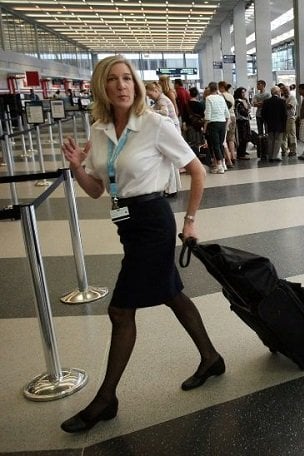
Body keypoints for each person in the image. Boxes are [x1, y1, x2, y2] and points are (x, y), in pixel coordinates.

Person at [59, 55, 223, 433]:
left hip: (152, 222)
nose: (121, 86)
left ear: (135, 84)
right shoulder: (99, 130)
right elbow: (100, 189)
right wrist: (77, 168)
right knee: (171, 294)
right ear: (102, 87)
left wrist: (192, 221)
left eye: (127, 79)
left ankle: (106, 398)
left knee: (120, 310)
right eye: (113, 80)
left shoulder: (155, 124)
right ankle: (211, 357)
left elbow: (196, 170)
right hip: (126, 223)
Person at [145, 81, 181, 196]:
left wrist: (150, 111)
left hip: (171, 131)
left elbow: (164, 113)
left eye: (150, 94)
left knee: (168, 161)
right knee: (170, 161)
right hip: (172, 130)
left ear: (155, 91)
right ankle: (172, 187)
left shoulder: (161, 100)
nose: (149, 96)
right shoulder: (160, 99)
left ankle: (171, 189)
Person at [204, 82, 230, 174]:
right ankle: (223, 164)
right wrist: (226, 125)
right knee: (221, 144)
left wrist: (205, 127)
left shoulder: (208, 98)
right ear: (217, 88)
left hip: (213, 124)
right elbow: (227, 113)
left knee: (215, 145)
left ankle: (219, 166)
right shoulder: (221, 98)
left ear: (210, 89)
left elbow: (208, 115)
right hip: (222, 123)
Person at [261, 86, 287, 162]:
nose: (280, 92)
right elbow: (284, 115)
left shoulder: (266, 101)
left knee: (270, 139)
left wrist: (266, 121)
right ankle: (274, 156)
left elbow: (263, 114)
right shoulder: (282, 101)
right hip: (279, 124)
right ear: (277, 92)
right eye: (279, 91)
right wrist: (284, 125)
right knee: (278, 140)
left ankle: (270, 156)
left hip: (269, 124)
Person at [219, 81, 237, 167]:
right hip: (233, 117)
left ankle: (227, 157)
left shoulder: (221, 96)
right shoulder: (231, 95)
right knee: (231, 138)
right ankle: (233, 156)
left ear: (222, 87)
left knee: (224, 138)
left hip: (225, 118)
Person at [234, 86, 252, 160]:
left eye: (244, 92)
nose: (244, 94)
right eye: (242, 92)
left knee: (245, 137)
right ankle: (241, 154)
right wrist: (247, 112)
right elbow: (243, 112)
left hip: (245, 121)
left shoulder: (243, 100)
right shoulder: (238, 101)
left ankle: (243, 151)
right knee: (242, 137)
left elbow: (249, 107)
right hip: (241, 121)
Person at [280, 85, 297, 157]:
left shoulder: (292, 97)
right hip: (283, 119)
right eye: (284, 90)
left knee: (291, 135)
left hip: (290, 118)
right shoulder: (282, 98)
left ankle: (293, 150)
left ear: (289, 90)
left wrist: (281, 104)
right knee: (283, 135)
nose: (286, 91)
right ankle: (284, 150)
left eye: (287, 90)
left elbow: (289, 106)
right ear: (282, 91)